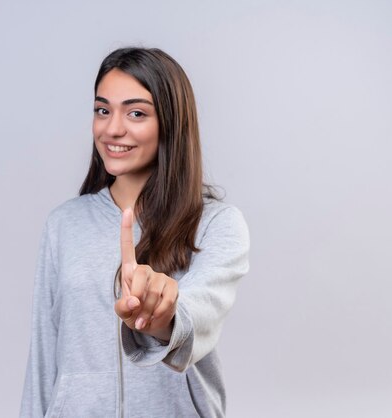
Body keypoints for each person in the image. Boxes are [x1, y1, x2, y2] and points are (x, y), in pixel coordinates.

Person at [20, 47, 250, 417]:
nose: (112, 128)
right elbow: (44, 357)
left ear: (171, 123)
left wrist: (160, 317)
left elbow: (199, 316)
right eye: (102, 110)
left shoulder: (216, 224)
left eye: (136, 113)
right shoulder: (64, 225)